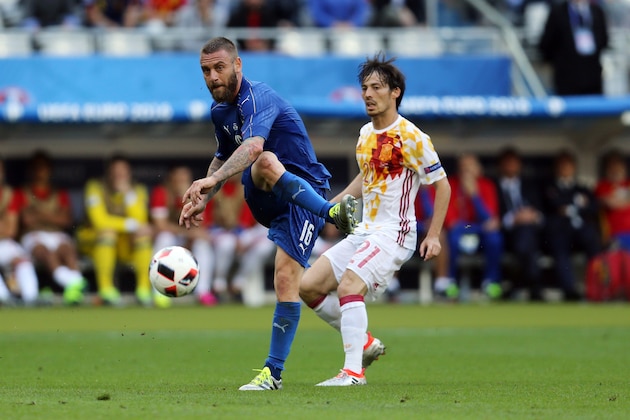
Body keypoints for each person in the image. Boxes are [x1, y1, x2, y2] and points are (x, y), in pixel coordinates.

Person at [178, 37, 357, 391]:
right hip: (264, 194)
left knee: (285, 281)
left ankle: (272, 374)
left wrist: (213, 178)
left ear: (238, 65)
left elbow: (254, 146)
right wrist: (205, 196)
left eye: (219, 67)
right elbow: (223, 154)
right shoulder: (220, 112)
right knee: (263, 163)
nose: (212, 76)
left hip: (304, 194)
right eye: (205, 70)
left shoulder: (259, 97)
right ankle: (334, 214)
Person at [299, 53, 451, 386]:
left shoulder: (412, 137)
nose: (368, 94)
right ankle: (364, 342)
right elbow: (365, 181)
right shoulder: (365, 133)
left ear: (395, 92)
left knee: (349, 287)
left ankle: (353, 372)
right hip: (364, 231)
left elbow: (442, 185)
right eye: (365, 87)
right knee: (308, 287)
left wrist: (434, 235)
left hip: (394, 233)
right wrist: (329, 206)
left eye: (377, 87)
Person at [83, 154, 164, 307]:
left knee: (143, 237)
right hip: (94, 243)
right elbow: (99, 221)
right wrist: (130, 225)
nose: (119, 175)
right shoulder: (95, 187)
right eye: (115, 171)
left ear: (129, 173)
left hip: (126, 245)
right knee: (108, 233)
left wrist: (128, 194)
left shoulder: (137, 190)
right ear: (108, 172)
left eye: (123, 171)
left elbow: (141, 221)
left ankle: (143, 290)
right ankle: (106, 290)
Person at [16, 150, 86, 305]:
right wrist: (53, 216)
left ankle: (73, 292)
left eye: (44, 168)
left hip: (56, 233)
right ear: (31, 170)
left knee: (67, 249)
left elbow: (66, 220)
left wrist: (38, 214)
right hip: (33, 235)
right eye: (37, 168)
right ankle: (74, 281)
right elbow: (26, 220)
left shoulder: (59, 192)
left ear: (50, 170)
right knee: (46, 252)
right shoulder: (22, 192)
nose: (40, 172)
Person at [150, 165, 216, 306]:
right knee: (164, 238)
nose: (181, 181)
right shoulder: (161, 192)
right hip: (171, 238)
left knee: (202, 244)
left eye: (185, 178)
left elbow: (201, 226)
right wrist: (187, 233)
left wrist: (188, 201)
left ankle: (203, 291)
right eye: (178, 178)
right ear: (170, 179)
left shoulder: (199, 193)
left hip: (188, 237)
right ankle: (159, 292)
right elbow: (161, 225)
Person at [441, 153, 503, 300]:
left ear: (479, 169)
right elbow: (451, 221)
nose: (466, 172)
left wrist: (474, 195)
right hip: (461, 231)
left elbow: (489, 219)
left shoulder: (487, 186)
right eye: (463, 168)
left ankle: (491, 282)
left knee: (494, 239)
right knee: (452, 237)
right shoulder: (450, 185)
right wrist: (474, 227)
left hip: (480, 234)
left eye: (470, 167)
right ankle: (450, 282)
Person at [543, 150, 601, 301]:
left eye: (568, 165)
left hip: (581, 230)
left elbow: (593, 207)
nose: (565, 169)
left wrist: (569, 207)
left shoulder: (582, 188)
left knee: (594, 243)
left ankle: (597, 288)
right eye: (561, 165)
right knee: (560, 252)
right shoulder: (549, 188)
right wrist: (577, 205)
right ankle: (570, 290)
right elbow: (553, 205)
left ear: (574, 167)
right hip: (560, 232)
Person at [495, 148, 545, 301]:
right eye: (507, 162)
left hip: (532, 232)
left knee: (526, 237)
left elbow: (541, 212)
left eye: (514, 162)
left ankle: (517, 284)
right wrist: (514, 218)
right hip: (507, 233)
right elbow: (494, 215)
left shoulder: (531, 185)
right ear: (501, 165)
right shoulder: (494, 186)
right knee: (524, 239)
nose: (511, 165)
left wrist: (532, 216)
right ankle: (533, 284)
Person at [538, 0, 609, 95]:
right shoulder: (558, 12)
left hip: (593, 77)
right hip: (566, 79)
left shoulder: (597, 11)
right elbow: (546, 44)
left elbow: (603, 40)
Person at [0, 156, 40, 306]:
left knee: (23, 260)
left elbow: (10, 230)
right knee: (3, 298)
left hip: (4, 243)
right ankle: (4, 299)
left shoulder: (10, 194)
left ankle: (30, 299)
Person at [595, 150, 630, 250]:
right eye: (611, 167)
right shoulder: (602, 186)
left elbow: (616, 202)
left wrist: (620, 200)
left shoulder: (628, 183)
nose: (615, 169)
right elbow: (611, 204)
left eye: (618, 165)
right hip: (615, 234)